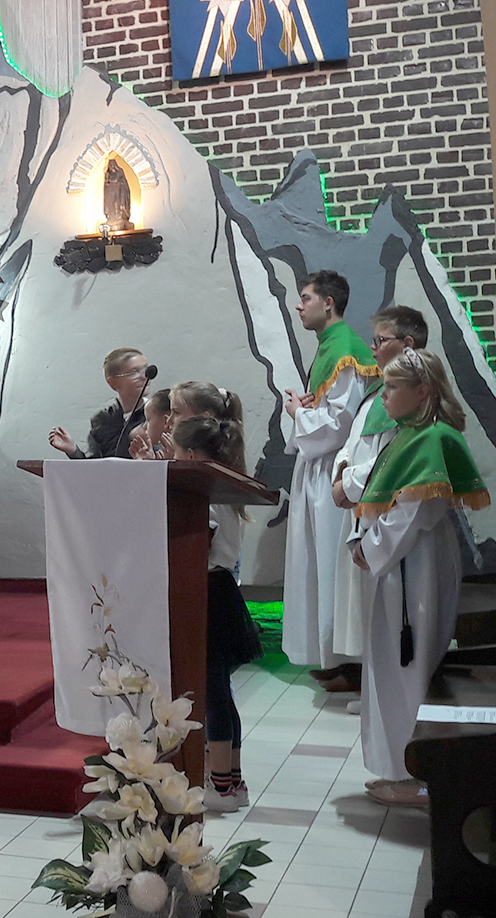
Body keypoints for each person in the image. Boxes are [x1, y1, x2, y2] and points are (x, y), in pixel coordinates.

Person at [350, 349, 487, 808]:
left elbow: (415, 512)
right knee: (392, 665)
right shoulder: (409, 434)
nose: (383, 396)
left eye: (392, 388)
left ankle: (417, 777)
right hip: (402, 562)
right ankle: (398, 768)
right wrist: (363, 539)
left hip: (415, 567)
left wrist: (370, 547)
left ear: (422, 391)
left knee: (407, 668)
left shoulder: (432, 438)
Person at [324, 305, 429, 693]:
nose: (372, 349)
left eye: (380, 341)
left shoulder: (415, 398)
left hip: (391, 525)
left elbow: (391, 460)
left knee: (396, 621)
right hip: (363, 516)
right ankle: (376, 696)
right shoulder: (377, 395)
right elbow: (351, 447)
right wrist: (340, 475)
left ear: (408, 344)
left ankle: (396, 702)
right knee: (372, 620)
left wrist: (347, 486)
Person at [279, 270, 379, 676]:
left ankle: (346, 661)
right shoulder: (329, 346)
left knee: (331, 566)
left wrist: (298, 414)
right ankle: (330, 656)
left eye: (305, 298)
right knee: (317, 564)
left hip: (333, 471)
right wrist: (306, 408)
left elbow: (340, 423)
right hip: (318, 467)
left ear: (329, 303)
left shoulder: (344, 350)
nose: (298, 305)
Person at [170, 413, 262, 813]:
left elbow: (195, 546)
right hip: (220, 590)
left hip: (206, 592)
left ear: (191, 456)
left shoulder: (205, 496)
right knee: (220, 693)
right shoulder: (224, 487)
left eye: (176, 454)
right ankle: (233, 780)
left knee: (213, 696)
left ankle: (221, 786)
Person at [48, 348, 155, 459]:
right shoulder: (102, 421)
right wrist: (73, 451)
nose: (144, 376)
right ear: (113, 382)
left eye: (146, 369)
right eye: (134, 372)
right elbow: (93, 466)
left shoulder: (157, 414)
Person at [126, 389, 173, 459]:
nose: (144, 426)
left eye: (148, 420)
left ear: (166, 421)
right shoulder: (160, 453)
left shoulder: (183, 454)